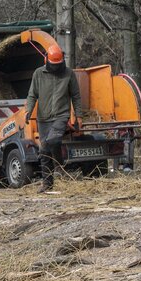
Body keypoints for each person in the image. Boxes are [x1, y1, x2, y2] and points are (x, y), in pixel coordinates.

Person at [25, 44, 83, 193]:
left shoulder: (69, 74)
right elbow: (32, 95)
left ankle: (59, 164)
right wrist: (28, 111)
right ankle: (47, 184)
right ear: (46, 60)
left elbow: (76, 96)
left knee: (54, 140)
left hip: (61, 115)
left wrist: (79, 116)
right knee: (44, 152)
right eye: (53, 65)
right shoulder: (38, 74)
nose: (56, 68)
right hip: (43, 118)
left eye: (59, 65)